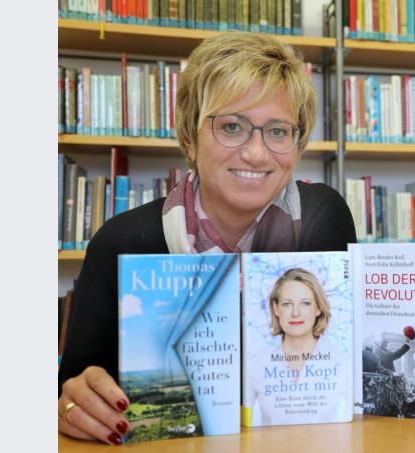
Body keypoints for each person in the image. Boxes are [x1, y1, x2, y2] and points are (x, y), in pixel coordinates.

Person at [58, 32, 356, 444]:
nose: (256, 153)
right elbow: (73, 388)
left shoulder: (322, 220)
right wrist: (76, 405)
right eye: (232, 126)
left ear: (297, 144)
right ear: (189, 137)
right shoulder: (121, 241)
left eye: (277, 131)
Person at [247, 268, 351, 425]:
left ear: (318, 308)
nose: (296, 313)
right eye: (287, 304)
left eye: (306, 303)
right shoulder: (255, 364)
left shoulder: (343, 362)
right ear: (276, 308)